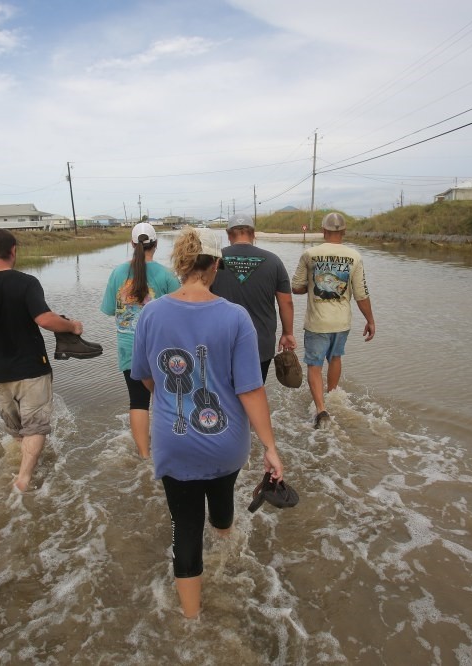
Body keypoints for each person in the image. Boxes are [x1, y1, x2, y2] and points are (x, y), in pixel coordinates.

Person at [131, 228, 285, 619]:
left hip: (173, 438)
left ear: (181, 265)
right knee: (221, 500)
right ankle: (225, 542)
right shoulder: (236, 317)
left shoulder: (151, 313)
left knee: (184, 526)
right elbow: (250, 389)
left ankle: (191, 622)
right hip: (226, 442)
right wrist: (270, 447)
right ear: (215, 264)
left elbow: (146, 377)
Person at [0, 228, 89, 493]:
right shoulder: (26, 283)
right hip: (31, 368)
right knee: (37, 425)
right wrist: (72, 326)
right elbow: (45, 319)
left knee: (17, 429)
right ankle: (24, 478)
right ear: (14, 250)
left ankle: (23, 464)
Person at [100, 222, 180, 458]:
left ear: (132, 244)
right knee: (168, 399)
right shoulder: (167, 275)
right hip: (162, 348)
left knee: (138, 401)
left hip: (128, 348)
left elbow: (110, 310)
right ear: (155, 244)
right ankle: (172, 448)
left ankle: (145, 456)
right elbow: (180, 312)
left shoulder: (117, 273)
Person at [291, 212, 376, 429]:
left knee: (314, 365)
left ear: (323, 231)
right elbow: (361, 293)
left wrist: (312, 285)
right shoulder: (355, 257)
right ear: (344, 231)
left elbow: (296, 287)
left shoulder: (310, 254)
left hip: (317, 322)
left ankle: (321, 409)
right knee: (335, 358)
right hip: (342, 322)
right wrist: (370, 320)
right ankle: (331, 396)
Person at [211, 212, 296, 382]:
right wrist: (287, 333)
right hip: (260, 344)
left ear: (228, 235)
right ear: (254, 234)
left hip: (220, 342)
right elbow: (286, 302)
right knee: (253, 394)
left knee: (222, 397)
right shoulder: (274, 261)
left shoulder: (214, 260)